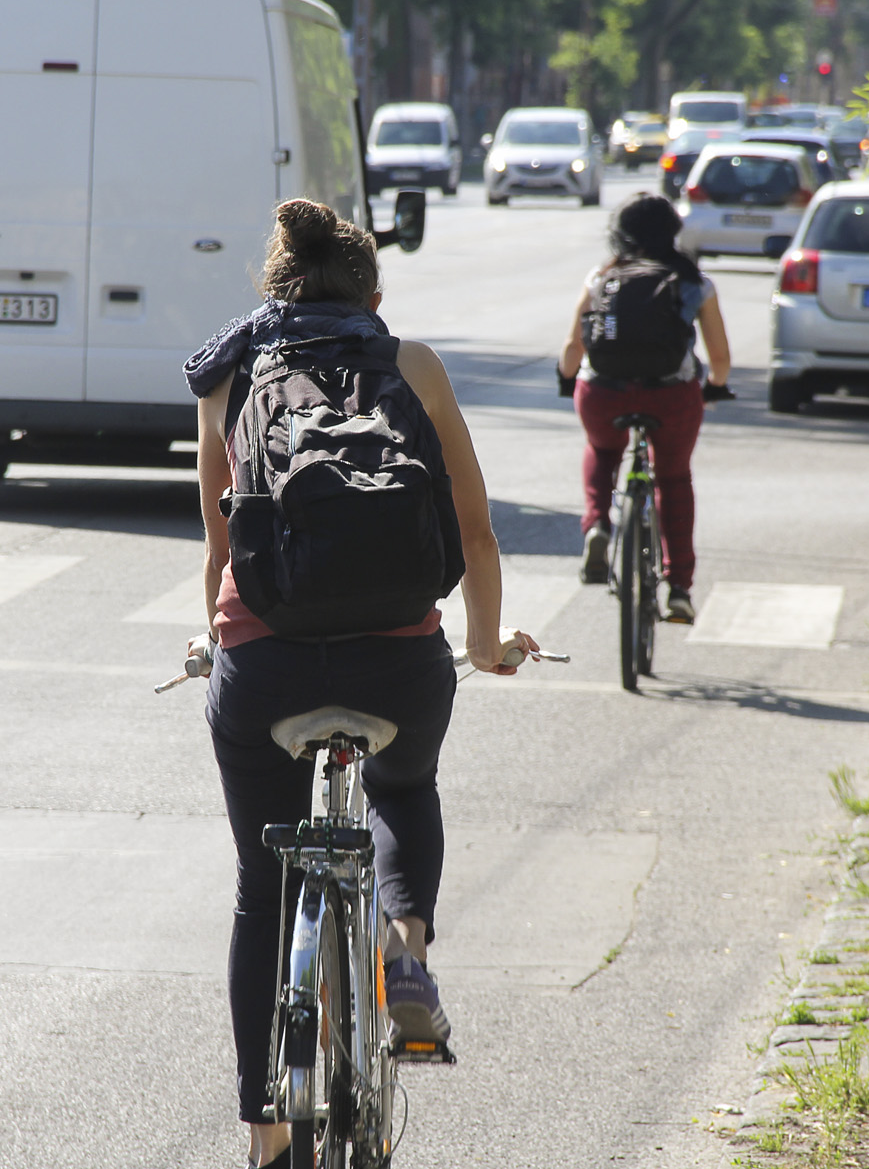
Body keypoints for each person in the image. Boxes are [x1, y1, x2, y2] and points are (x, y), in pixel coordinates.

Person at [183, 198, 536, 1169]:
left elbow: (223, 547)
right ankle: (406, 942)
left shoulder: (227, 379)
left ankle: (264, 1133)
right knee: (403, 785)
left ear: (272, 293)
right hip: (396, 660)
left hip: (266, 664)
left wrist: (212, 643)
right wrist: (488, 641)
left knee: (264, 885)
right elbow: (474, 533)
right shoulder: (412, 366)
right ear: (375, 295)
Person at [556, 192, 731, 624]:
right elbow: (721, 361)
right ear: (672, 233)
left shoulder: (601, 276)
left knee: (602, 450)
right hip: (671, 395)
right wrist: (712, 388)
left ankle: (598, 524)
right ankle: (679, 590)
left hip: (604, 391)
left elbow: (572, 348)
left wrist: (567, 377)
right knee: (673, 478)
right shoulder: (694, 282)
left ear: (619, 234)